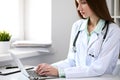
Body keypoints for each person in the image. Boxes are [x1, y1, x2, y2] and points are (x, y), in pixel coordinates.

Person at [35, 0, 120, 78]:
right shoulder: (77, 26)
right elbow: (71, 61)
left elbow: (99, 68)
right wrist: (50, 68)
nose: (79, 8)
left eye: (83, 2)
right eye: (77, 3)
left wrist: (59, 72)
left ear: (96, 3)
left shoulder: (113, 31)